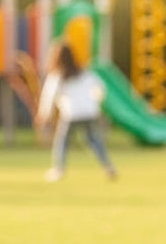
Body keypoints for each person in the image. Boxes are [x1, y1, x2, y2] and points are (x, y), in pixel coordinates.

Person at [34, 41, 116, 182]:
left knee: (62, 141)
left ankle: (59, 169)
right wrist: (96, 103)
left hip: (71, 113)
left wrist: (43, 114)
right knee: (94, 141)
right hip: (90, 112)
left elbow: (49, 96)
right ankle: (108, 167)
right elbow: (100, 88)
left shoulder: (57, 75)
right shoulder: (85, 73)